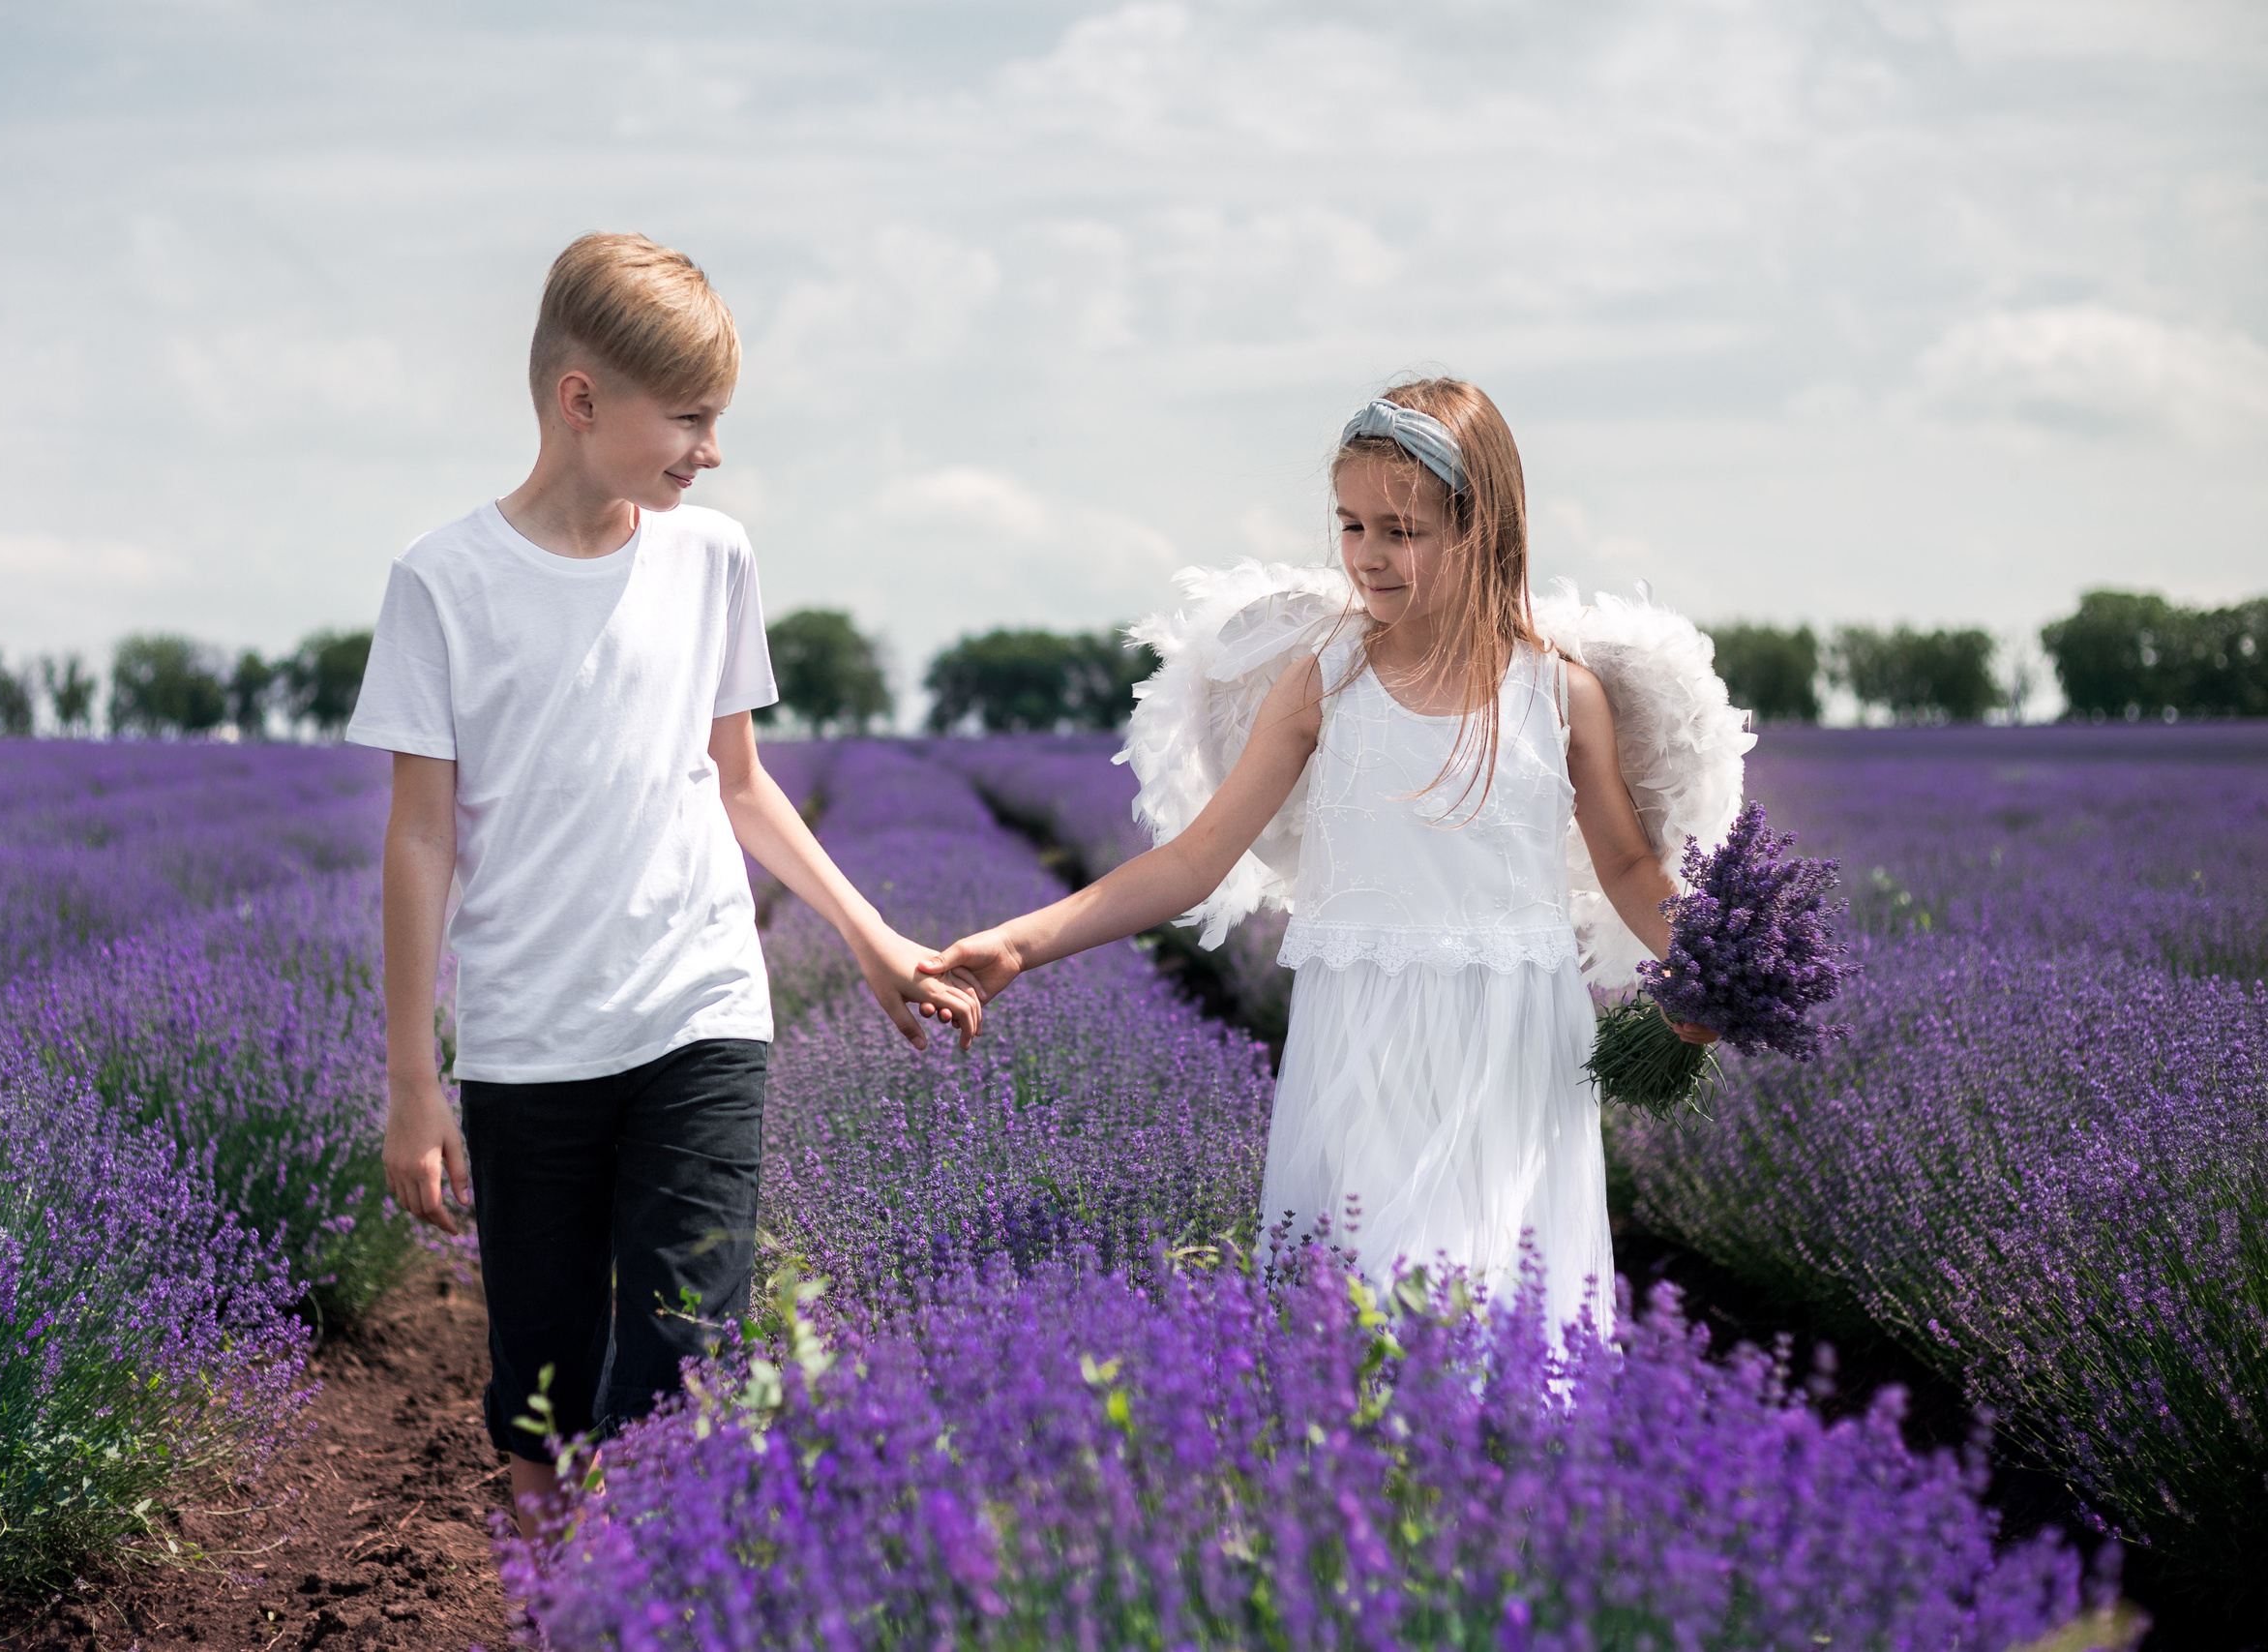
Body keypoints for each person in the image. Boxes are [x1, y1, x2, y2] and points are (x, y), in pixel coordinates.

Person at [346, 232, 982, 1542]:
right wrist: (413, 1079)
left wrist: (868, 936)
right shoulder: (443, 582)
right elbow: (419, 839)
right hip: (530, 1034)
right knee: (541, 1381)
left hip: (700, 1009)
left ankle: (642, 1582)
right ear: (581, 399)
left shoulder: (713, 558)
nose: (712, 450)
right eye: (690, 418)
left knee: (687, 1344)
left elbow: (738, 781)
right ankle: (552, 1589)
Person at [924, 377, 1712, 1341]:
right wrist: (1020, 942)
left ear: (1481, 530)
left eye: (1401, 531)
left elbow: (1628, 866)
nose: (1368, 555)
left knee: (1502, 1321)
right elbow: (1196, 858)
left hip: (1512, 1053)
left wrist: (1707, 962)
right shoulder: (1325, 685)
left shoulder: (1558, 694)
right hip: (1364, 1046)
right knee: (1366, 1319)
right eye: (1351, 525)